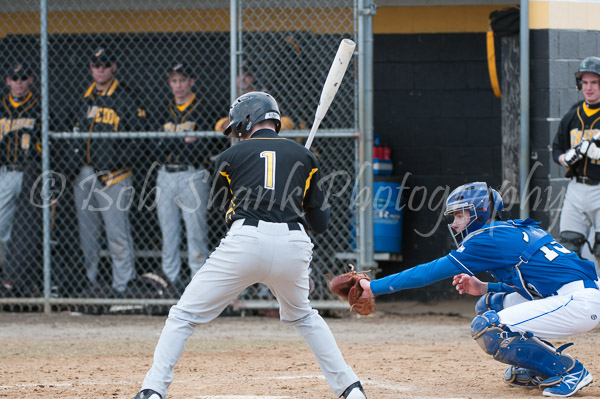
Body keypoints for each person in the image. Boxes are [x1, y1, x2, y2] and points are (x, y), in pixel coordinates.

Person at [131, 92, 367, 399]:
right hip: (294, 243)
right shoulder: (305, 157)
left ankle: (153, 390)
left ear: (247, 121)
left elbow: (218, 205)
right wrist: (293, 195)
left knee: (183, 315)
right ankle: (351, 389)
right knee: (304, 316)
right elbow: (320, 224)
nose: (237, 135)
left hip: (245, 240)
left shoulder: (230, 157)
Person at [357, 181, 600, 397]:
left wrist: (373, 287)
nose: (454, 224)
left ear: (481, 213)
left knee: (488, 328)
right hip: (571, 296)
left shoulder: (487, 237)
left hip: (577, 302)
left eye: (460, 216)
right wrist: (484, 286)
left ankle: (569, 370)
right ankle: (539, 367)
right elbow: (535, 284)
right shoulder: (513, 229)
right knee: (488, 303)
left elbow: (428, 272)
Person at [73, 46, 148, 297]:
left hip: (115, 176)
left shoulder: (126, 96)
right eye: (96, 65)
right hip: (85, 175)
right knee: (88, 237)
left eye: (105, 64)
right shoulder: (85, 96)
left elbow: (139, 140)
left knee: (118, 235)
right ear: (90, 68)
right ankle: (88, 286)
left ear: (114, 66)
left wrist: (113, 162)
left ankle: (123, 287)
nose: (100, 69)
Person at [155, 63, 212, 294]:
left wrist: (173, 141)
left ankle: (199, 285)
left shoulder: (203, 108)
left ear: (191, 81)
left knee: (196, 232)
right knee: (168, 232)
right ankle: (169, 281)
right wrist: (183, 141)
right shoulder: (163, 109)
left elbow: (202, 149)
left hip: (192, 174)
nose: (178, 85)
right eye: (174, 81)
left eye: (182, 80)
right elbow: (155, 147)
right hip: (165, 174)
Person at [552, 56, 600, 264]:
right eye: (585, 82)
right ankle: (579, 294)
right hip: (576, 188)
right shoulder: (572, 116)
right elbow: (556, 148)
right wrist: (564, 158)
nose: (589, 88)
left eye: (595, 82)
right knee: (568, 248)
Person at [0, 62, 42, 296]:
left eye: (23, 78)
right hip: (6, 172)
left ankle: (15, 279)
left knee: (25, 231)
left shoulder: (38, 106)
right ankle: (8, 277)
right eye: (14, 78)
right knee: (2, 228)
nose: (18, 83)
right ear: (7, 81)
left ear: (31, 80)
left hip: (29, 175)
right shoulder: (2, 106)